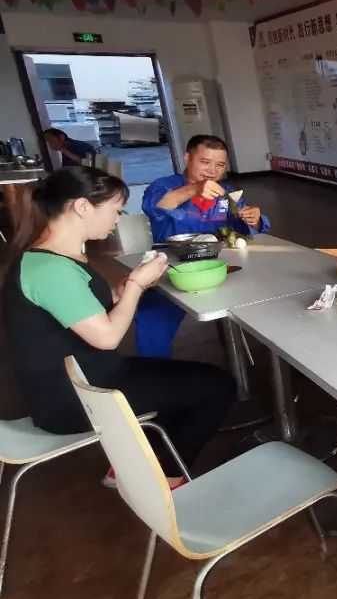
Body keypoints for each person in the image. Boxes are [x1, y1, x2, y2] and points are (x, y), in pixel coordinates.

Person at [2, 167, 236, 489]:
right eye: (116, 209)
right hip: (73, 399)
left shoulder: (53, 258)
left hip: (90, 376)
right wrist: (136, 286)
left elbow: (79, 308)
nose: (117, 219)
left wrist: (120, 292)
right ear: (83, 207)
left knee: (187, 380)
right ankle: (165, 480)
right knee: (217, 386)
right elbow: (108, 337)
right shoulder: (49, 269)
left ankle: (137, 465)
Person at [136, 134, 268, 357]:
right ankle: (155, 369)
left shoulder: (226, 193)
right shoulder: (163, 186)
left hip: (220, 266)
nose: (212, 170)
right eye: (205, 162)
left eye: (220, 164)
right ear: (187, 158)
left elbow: (244, 227)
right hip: (172, 269)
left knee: (265, 296)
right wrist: (194, 189)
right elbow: (155, 207)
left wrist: (253, 218)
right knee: (152, 318)